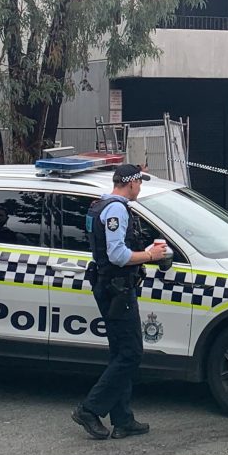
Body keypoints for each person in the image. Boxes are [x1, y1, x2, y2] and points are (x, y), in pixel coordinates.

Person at [71, 164, 168, 440]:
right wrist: (150, 255)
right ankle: (89, 409)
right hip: (117, 289)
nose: (140, 188)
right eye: (139, 183)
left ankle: (123, 419)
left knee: (120, 352)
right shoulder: (116, 209)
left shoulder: (100, 205)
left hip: (110, 286)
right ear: (132, 183)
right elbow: (118, 255)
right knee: (131, 353)